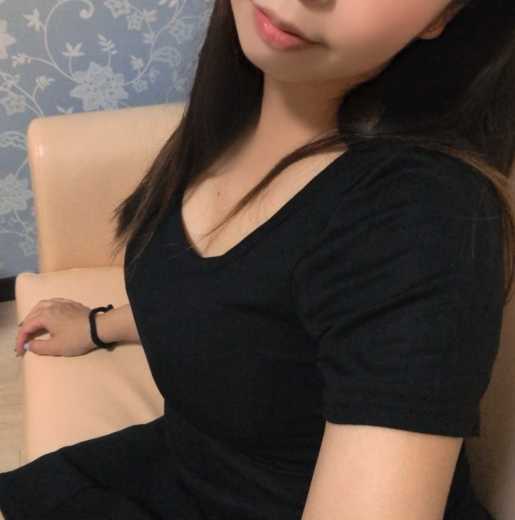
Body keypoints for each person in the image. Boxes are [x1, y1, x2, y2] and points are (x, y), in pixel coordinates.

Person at [2, 0, 514, 518]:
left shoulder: (418, 217)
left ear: (443, 16)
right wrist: (99, 325)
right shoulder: (241, 109)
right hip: (191, 459)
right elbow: (236, 307)